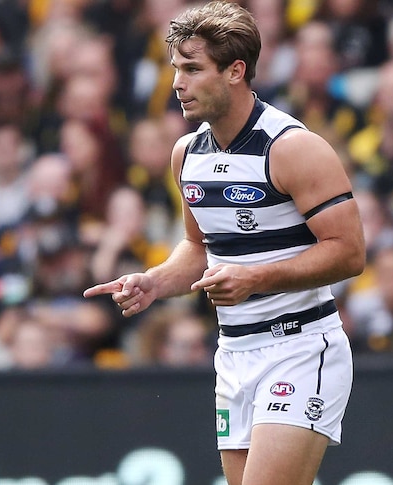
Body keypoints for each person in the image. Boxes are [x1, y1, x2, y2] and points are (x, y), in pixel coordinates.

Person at [83, 3, 365, 485]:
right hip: (234, 353)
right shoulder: (186, 154)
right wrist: (153, 282)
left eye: (192, 68)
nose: (177, 83)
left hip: (299, 346)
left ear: (236, 71)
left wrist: (256, 278)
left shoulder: (292, 146)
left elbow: (349, 251)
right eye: (175, 68)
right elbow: (198, 248)